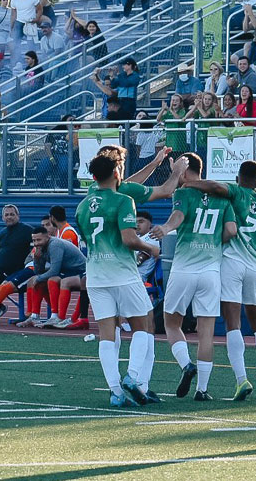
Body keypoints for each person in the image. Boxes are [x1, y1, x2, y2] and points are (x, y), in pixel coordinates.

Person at [183, 160, 256, 398]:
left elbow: (215, 187)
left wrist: (191, 182)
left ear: (238, 178)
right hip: (252, 268)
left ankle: (242, 380)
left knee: (232, 323)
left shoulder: (236, 193)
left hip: (230, 264)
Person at [76, 148, 161, 407]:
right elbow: (128, 238)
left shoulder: (82, 206)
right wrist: (151, 248)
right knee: (143, 326)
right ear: (116, 172)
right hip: (122, 273)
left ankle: (115, 391)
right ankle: (133, 378)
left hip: (96, 275)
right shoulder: (123, 200)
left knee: (107, 334)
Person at [149, 153, 236, 401]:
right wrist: (212, 244)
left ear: (184, 171)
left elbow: (178, 217)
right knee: (206, 332)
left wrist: (165, 228)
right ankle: (203, 389)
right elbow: (231, 230)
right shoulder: (222, 197)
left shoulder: (183, 193)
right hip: (211, 270)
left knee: (171, 323)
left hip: (184, 268)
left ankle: (186, 365)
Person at [26, 225, 87, 329]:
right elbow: (38, 272)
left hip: (81, 271)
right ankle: (34, 316)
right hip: (67, 271)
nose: (36, 243)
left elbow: (54, 270)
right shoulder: (40, 247)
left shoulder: (55, 245)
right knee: (36, 280)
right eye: (34, 240)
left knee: (51, 279)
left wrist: (39, 278)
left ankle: (57, 316)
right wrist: (37, 259)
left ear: (48, 237)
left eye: (39, 240)